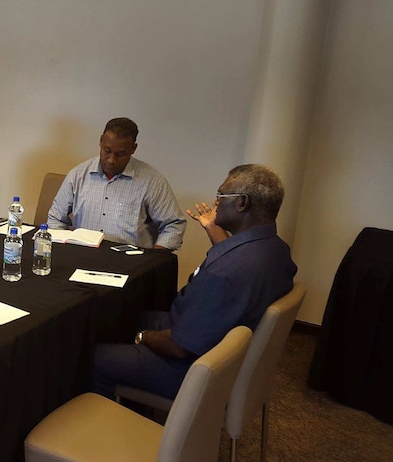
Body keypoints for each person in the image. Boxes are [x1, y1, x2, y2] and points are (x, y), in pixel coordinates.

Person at [92, 164, 298, 399]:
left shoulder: (224, 275)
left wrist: (141, 337)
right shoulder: (275, 250)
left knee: (93, 356)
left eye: (221, 195)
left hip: (189, 368)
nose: (216, 202)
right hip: (219, 346)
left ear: (242, 203)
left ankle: (105, 423)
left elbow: (178, 347)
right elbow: (234, 262)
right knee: (125, 315)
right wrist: (212, 227)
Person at [47, 117, 186, 250]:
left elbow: (173, 225)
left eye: (120, 154)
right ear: (101, 141)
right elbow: (56, 219)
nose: (111, 160)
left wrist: (153, 259)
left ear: (133, 149)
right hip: (82, 255)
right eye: (107, 151)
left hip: (130, 262)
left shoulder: (152, 181)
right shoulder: (78, 175)